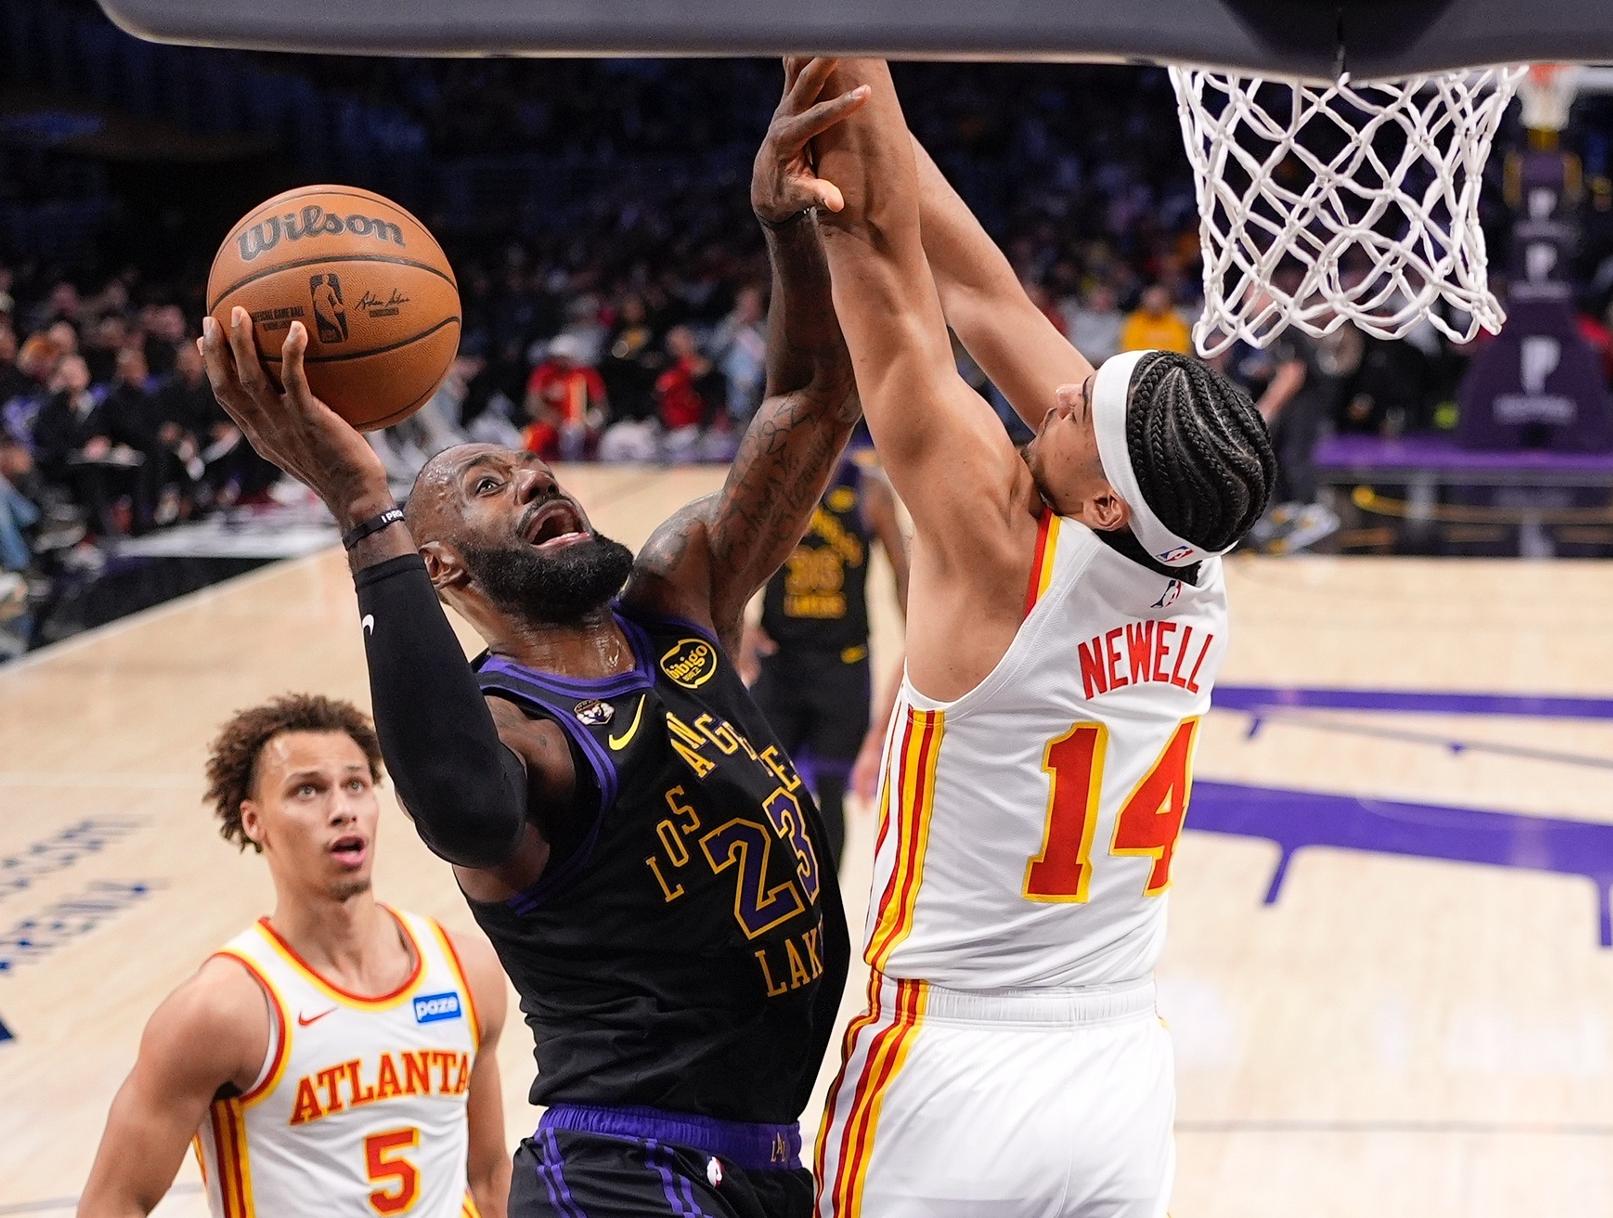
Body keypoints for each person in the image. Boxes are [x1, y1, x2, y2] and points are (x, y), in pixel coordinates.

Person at [198, 59, 868, 1218]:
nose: (535, 478)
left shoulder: (679, 603)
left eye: (531, 466)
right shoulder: (515, 731)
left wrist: (784, 230)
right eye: (487, 485)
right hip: (624, 1173)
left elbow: (812, 400)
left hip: (766, 1162)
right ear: (442, 569)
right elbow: (460, 807)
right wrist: (363, 507)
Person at [807, 61, 1275, 1218]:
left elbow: (890, 282)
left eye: (1081, 409)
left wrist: (831, 50)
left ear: (1106, 502)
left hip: (949, 1069)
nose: (1061, 392)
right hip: (1117, 1075)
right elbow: (987, 296)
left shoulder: (999, 556)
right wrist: (871, 114)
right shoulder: (1195, 553)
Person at [77, 694, 511, 1218]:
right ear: (254, 820)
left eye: (356, 785)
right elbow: (115, 1201)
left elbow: (489, 1178)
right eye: (308, 790)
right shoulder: (219, 1012)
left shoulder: (466, 971)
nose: (342, 809)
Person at [742, 449, 908, 865]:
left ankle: (827, 896)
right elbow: (735, 555)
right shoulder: (774, 483)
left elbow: (902, 574)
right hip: (780, 661)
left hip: (842, 667)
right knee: (761, 785)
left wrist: (918, 645)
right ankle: (771, 889)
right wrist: (738, 622)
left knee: (833, 794)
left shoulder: (869, 490)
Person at [1119, 283, 1194, 355]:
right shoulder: (1133, 322)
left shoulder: (1178, 321)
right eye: (1151, 302)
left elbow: (1183, 350)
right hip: (1143, 362)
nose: (1155, 305)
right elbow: (1130, 351)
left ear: (1167, 302)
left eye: (1159, 301)